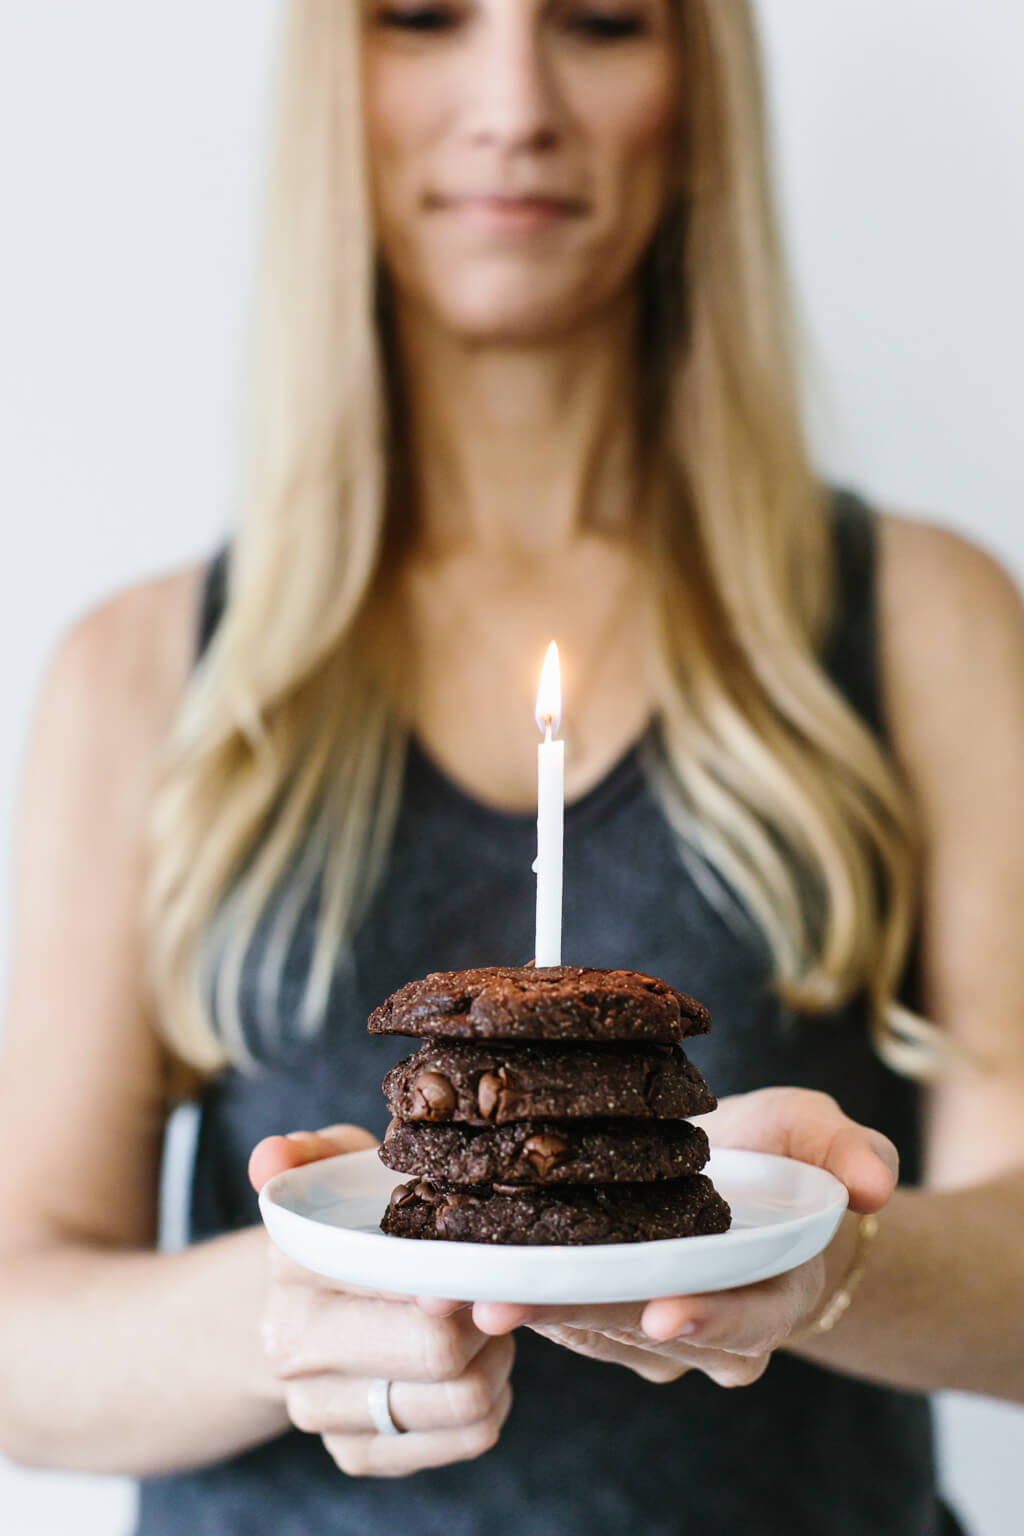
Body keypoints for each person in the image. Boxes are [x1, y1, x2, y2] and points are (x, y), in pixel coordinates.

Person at [0, 1, 1021, 1532]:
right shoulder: (146, 671)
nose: (515, 101)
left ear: (697, 92)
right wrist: (304, 1300)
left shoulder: (920, 622)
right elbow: (22, 1330)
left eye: (601, 23)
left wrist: (819, 1262)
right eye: (425, 18)